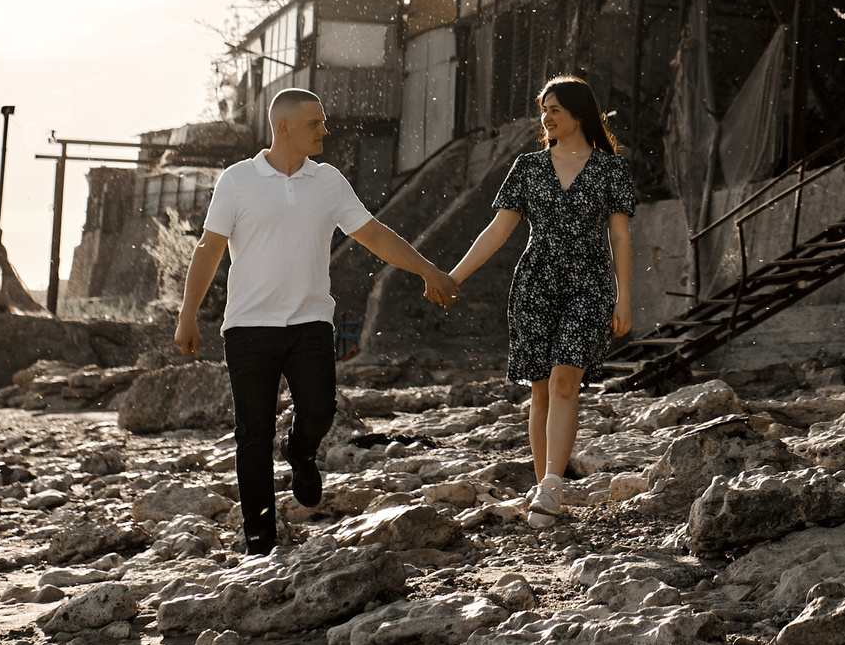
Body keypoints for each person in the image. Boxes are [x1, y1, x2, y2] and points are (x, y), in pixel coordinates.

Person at [175, 88, 457, 553]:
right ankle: (259, 542)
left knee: (320, 409)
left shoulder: (328, 182)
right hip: (248, 327)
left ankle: (301, 452)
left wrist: (426, 268)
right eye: (315, 123)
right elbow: (209, 250)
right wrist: (188, 315)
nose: (325, 130)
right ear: (283, 126)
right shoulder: (237, 180)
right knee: (252, 434)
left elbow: (375, 236)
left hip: (309, 322)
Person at [441, 75, 635, 516]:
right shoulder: (527, 168)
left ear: (579, 115)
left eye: (554, 110)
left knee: (567, 379)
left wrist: (623, 299)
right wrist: (455, 276)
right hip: (535, 284)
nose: (545, 118)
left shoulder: (611, 170)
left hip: (589, 283)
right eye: (543, 109)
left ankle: (551, 485)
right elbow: (498, 231)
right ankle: (545, 486)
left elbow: (620, 239)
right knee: (542, 387)